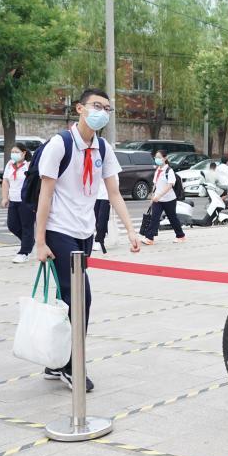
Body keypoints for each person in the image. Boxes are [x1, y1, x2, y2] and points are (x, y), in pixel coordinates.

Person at [34, 88, 141, 391]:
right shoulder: (60, 144)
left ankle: (55, 362)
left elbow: (115, 192)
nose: (102, 112)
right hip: (59, 231)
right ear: (80, 108)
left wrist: (131, 230)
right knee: (82, 298)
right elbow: (46, 194)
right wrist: (40, 242)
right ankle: (71, 366)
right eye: (97, 106)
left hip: (85, 232)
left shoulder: (104, 148)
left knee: (70, 299)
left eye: (107, 109)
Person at [140, 151, 187, 246]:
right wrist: (153, 196)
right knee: (154, 218)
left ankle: (181, 236)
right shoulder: (158, 170)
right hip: (158, 199)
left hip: (169, 200)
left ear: (165, 158)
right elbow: (155, 184)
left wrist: (159, 195)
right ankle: (150, 238)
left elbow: (170, 185)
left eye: (159, 157)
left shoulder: (169, 171)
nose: (156, 159)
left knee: (172, 218)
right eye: (156, 157)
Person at [1, 142, 34, 263]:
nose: (14, 154)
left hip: (26, 201)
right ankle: (30, 242)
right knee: (12, 225)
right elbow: (5, 181)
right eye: (12, 152)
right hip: (13, 200)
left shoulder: (29, 165)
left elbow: (34, 183)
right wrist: (5, 198)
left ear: (24, 153)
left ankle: (24, 252)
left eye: (16, 152)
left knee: (27, 227)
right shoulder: (10, 164)